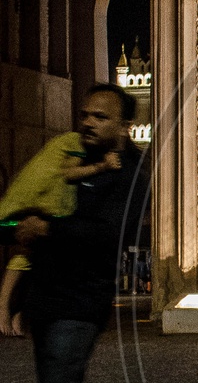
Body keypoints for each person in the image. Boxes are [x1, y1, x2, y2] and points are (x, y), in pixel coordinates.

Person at [3, 84, 146, 383]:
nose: (88, 122)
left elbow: (112, 234)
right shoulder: (69, 158)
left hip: (83, 298)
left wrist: (47, 229)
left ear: (124, 126)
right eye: (85, 114)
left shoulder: (131, 174)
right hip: (48, 295)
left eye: (100, 117)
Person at [0, 130, 124, 336]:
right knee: (28, 254)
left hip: (39, 206)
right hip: (38, 208)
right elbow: (68, 173)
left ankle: (19, 315)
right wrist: (102, 166)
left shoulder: (77, 143)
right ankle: (8, 311)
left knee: (35, 258)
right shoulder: (76, 141)